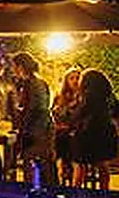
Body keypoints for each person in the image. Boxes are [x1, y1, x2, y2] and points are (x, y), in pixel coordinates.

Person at [71, 69, 119, 189]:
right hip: (107, 134)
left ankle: (76, 190)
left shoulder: (89, 95)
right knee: (102, 164)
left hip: (91, 135)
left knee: (79, 164)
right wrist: (112, 121)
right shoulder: (108, 96)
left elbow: (79, 114)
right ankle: (104, 191)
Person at [8, 51, 57, 182]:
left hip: (35, 133)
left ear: (20, 67)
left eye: (14, 66)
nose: (13, 70)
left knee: (32, 170)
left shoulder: (29, 84)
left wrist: (21, 128)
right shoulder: (42, 82)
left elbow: (31, 109)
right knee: (45, 169)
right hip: (46, 128)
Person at [53, 67, 84, 186]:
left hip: (76, 134)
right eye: (72, 78)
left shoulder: (83, 97)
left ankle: (75, 186)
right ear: (66, 81)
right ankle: (57, 181)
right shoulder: (60, 97)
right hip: (61, 133)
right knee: (53, 148)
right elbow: (54, 114)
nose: (75, 81)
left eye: (78, 78)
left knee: (72, 148)